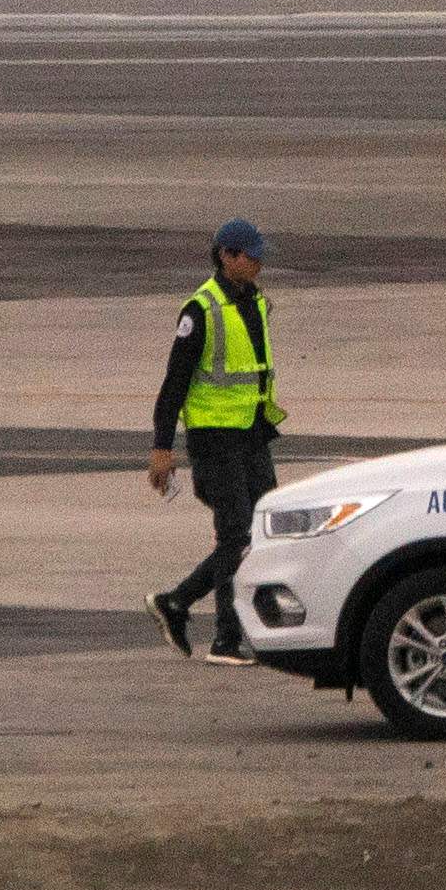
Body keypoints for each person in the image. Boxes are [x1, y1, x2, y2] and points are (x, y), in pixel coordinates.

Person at [145, 220, 283, 663]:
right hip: (215, 439)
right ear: (225, 255)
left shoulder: (254, 301)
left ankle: (227, 639)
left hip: (251, 435)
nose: (257, 262)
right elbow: (173, 386)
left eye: (259, 254)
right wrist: (162, 449)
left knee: (258, 532)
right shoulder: (201, 310)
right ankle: (178, 602)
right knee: (239, 536)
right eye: (249, 254)